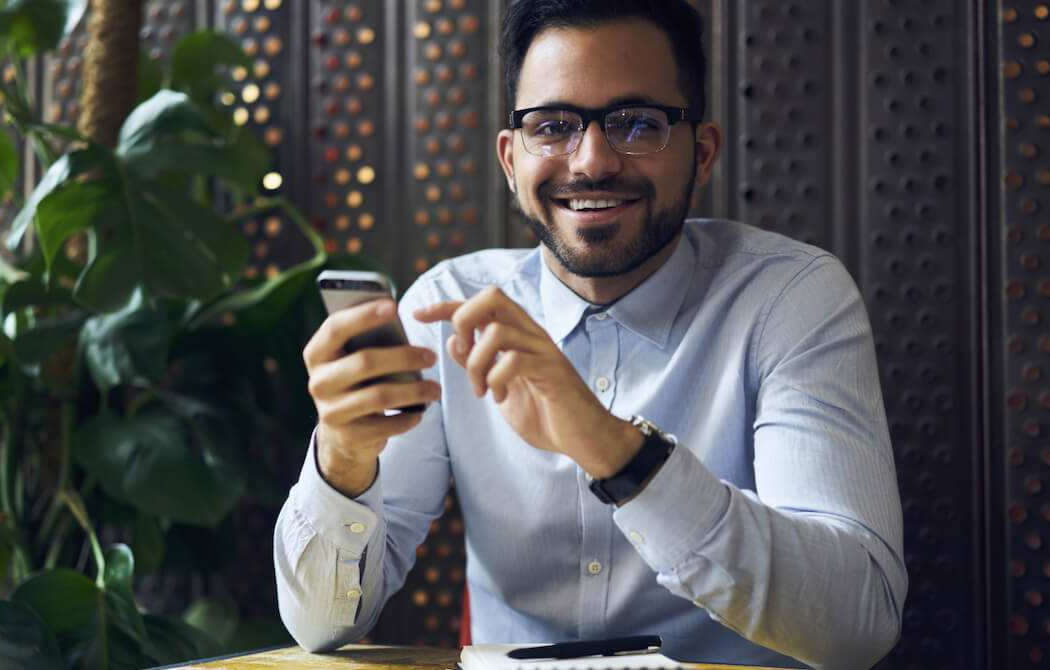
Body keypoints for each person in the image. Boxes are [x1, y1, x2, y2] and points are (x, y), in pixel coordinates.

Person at [273, 1, 907, 668]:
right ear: (510, 159)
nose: (593, 160)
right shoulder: (447, 314)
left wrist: (613, 450)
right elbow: (321, 628)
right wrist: (344, 460)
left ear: (704, 153)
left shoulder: (790, 299)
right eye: (553, 125)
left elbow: (855, 627)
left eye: (638, 124)